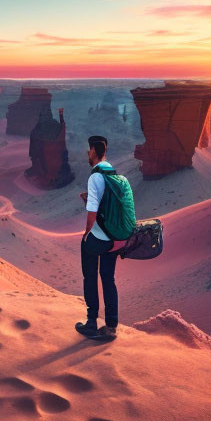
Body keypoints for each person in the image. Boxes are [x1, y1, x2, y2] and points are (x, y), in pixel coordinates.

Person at [75, 135, 122, 340]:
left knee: (90, 276)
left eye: (89, 150)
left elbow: (92, 213)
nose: (87, 154)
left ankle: (91, 322)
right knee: (108, 279)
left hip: (100, 236)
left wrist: (87, 235)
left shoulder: (95, 176)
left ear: (94, 151)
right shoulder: (113, 173)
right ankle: (111, 326)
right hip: (114, 236)